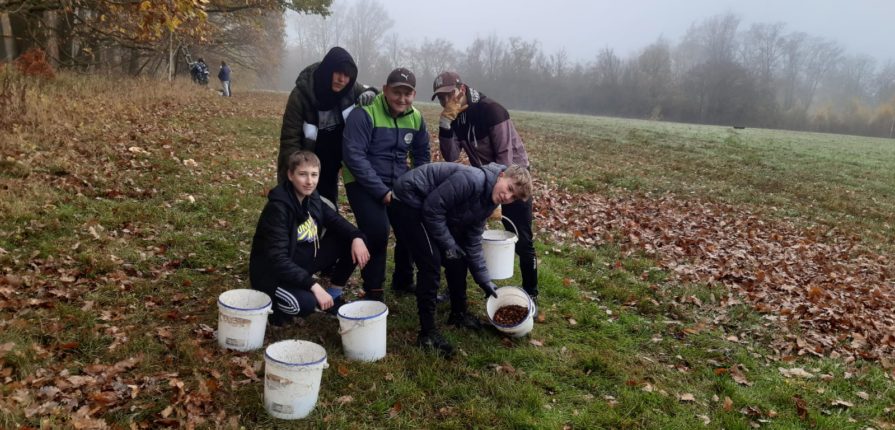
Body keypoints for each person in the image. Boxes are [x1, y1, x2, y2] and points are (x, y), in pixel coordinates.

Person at [391, 162, 533, 357]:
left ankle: (459, 314)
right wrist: (449, 244)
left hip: (431, 207)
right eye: (509, 188)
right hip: (408, 199)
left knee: (458, 258)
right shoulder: (473, 180)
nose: (507, 197)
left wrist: (485, 282)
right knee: (431, 262)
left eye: (514, 197)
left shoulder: (489, 201)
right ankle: (427, 333)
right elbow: (432, 209)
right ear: (501, 175)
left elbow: (473, 241)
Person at [432, 71, 540, 310]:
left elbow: (505, 158)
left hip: (513, 179)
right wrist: (445, 123)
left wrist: (498, 202)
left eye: (449, 94)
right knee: (462, 232)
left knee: (522, 238)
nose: (445, 101)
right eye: (440, 98)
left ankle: (531, 292)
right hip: (485, 180)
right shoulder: (454, 116)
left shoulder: (492, 111)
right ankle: (455, 287)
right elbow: (451, 156)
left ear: (461, 89)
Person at [249, 151, 370, 326]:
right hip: (273, 274)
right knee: (306, 304)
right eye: (302, 174)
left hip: (302, 264)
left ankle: (334, 296)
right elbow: (278, 260)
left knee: (351, 240)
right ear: (290, 175)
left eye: (314, 175)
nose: (309, 181)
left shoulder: (312, 197)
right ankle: (273, 307)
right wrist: (313, 285)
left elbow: (336, 221)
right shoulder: (278, 209)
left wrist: (356, 236)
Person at [342, 67, 429, 301]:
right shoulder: (364, 113)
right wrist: (382, 192)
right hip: (361, 181)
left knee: (412, 223)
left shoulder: (416, 117)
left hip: (398, 182)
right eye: (397, 92)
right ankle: (373, 290)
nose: (402, 99)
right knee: (378, 230)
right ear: (385, 89)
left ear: (414, 94)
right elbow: (354, 157)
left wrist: (416, 186)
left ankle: (403, 280)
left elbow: (422, 155)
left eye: (407, 94)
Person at [278, 46, 377, 207]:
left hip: (334, 159)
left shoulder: (350, 88)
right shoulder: (301, 95)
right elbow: (290, 138)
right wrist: (294, 172)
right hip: (309, 155)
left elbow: (372, 92)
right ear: (327, 70)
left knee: (328, 203)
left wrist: (371, 93)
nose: (342, 79)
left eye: (347, 75)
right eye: (338, 73)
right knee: (303, 200)